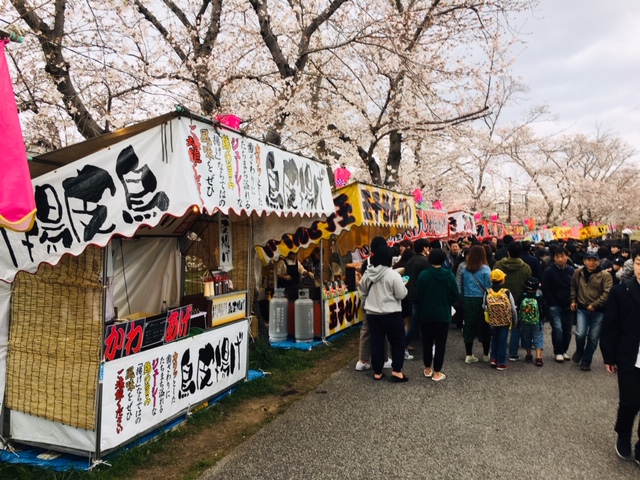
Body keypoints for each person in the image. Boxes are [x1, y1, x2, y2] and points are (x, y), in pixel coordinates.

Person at [601, 252, 640, 464]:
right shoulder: (621, 291)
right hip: (629, 356)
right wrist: (609, 356)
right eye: (638, 263)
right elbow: (611, 325)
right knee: (630, 401)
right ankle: (623, 434)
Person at [358, 245, 409, 382]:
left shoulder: (368, 274)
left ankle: (377, 371)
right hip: (391, 313)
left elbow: (362, 291)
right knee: (397, 341)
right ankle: (397, 371)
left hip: (372, 313)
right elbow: (401, 294)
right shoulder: (393, 275)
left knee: (377, 341)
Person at [416, 248, 459, 382]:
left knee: (427, 342)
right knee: (440, 344)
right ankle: (437, 372)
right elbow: (455, 294)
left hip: (426, 313)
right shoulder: (449, 275)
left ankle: (428, 368)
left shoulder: (423, 275)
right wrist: (447, 302)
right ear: (443, 260)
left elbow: (419, 294)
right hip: (443, 314)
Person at [570, 251, 613, 371]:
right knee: (580, 334)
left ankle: (586, 360)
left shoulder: (605, 275)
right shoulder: (578, 272)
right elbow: (573, 286)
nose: (591, 263)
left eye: (594, 260)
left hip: (599, 311)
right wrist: (573, 300)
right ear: (584, 261)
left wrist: (595, 304)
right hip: (582, 309)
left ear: (598, 262)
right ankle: (579, 350)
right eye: (589, 260)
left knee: (593, 338)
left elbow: (607, 293)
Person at [355, 236, 391, 371]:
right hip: (382, 301)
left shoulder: (367, 262)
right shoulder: (385, 262)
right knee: (383, 330)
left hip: (367, 301)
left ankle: (362, 360)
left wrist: (364, 297)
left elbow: (362, 284)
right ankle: (385, 359)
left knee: (366, 329)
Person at [493, 242, 531, 362]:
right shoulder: (525, 267)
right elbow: (527, 285)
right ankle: (513, 353)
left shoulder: (498, 264)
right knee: (515, 326)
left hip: (498, 299)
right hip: (518, 299)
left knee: (498, 327)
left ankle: (496, 354)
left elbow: (493, 280)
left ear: (508, 252)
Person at [458, 245, 492, 364]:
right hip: (482, 300)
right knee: (485, 326)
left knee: (469, 325)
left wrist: (463, 299)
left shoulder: (464, 269)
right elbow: (489, 287)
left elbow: (462, 287)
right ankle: (486, 354)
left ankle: (469, 354)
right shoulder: (486, 269)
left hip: (468, 299)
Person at [542, 247, 575, 362]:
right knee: (558, 329)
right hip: (554, 304)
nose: (560, 259)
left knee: (567, 330)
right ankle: (558, 351)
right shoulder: (549, 271)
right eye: (557, 257)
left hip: (569, 303)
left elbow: (575, 287)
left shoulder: (572, 270)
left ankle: (564, 350)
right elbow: (546, 288)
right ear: (554, 258)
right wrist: (551, 302)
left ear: (567, 257)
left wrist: (573, 300)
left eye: (562, 256)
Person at [484, 269, 518, 371]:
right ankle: (501, 363)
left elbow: (484, 306)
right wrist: (515, 321)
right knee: (502, 341)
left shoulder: (487, 291)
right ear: (502, 280)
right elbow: (512, 308)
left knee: (494, 339)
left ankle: (493, 358)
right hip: (505, 321)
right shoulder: (506, 292)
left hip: (493, 320)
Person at [403, 238, 430, 352]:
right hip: (422, 295)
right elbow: (426, 280)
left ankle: (405, 343)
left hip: (410, 294)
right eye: (427, 247)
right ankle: (404, 344)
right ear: (424, 248)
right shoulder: (425, 262)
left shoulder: (410, 261)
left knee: (415, 321)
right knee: (419, 322)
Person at [519, 277, 545, 366]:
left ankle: (529, 355)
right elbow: (544, 309)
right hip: (537, 321)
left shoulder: (523, 296)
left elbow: (519, 307)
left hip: (525, 321)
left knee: (526, 338)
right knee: (538, 337)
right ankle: (539, 357)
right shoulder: (539, 298)